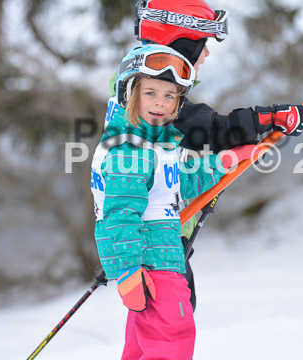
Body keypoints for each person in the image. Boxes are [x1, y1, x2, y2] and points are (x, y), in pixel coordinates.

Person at [121, 0, 303, 311]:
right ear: (182, 44)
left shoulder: (136, 88)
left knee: (158, 328)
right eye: (203, 44)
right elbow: (213, 129)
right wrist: (268, 118)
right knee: (174, 325)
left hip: (157, 239)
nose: (207, 54)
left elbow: (205, 129)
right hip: (155, 243)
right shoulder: (152, 102)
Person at [91, 43, 256, 360]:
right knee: (173, 337)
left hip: (161, 256)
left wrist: (224, 161)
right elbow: (120, 216)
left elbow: (178, 183)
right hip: (150, 263)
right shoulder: (130, 150)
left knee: (145, 345)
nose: (160, 103)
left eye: (170, 96)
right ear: (130, 93)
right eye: (150, 92)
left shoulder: (157, 142)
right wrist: (126, 272)